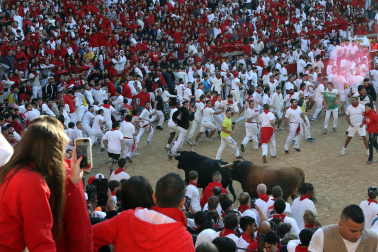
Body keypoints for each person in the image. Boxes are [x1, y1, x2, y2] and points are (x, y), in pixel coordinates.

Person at [0, 116, 90, 251]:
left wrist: (71, 183)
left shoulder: (12, 171)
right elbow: (41, 243)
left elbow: (38, 206)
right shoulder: (32, 181)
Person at [92, 173, 195, 251]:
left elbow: (87, 237)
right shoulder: (184, 239)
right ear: (183, 202)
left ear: (154, 197)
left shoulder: (127, 217)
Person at [308, 205, 378, 252]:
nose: (358, 236)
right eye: (353, 231)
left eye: (361, 230)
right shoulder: (322, 235)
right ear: (341, 225)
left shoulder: (374, 240)